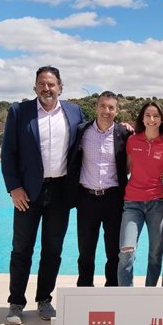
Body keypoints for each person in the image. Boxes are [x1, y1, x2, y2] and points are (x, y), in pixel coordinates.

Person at [1, 65, 85, 325]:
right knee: (21, 249)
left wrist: (125, 126)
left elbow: (92, 133)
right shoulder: (19, 112)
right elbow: (8, 153)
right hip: (27, 193)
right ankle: (16, 302)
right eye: (42, 84)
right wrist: (14, 188)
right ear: (35, 87)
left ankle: (44, 299)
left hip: (60, 191)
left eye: (51, 84)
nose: (47, 89)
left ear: (60, 86)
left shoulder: (73, 112)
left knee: (53, 249)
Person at [66, 91, 130, 288]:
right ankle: (85, 289)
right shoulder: (81, 131)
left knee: (113, 251)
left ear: (117, 111)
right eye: (103, 106)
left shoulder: (124, 134)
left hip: (113, 199)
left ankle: (111, 289)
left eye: (111, 107)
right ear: (96, 107)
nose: (106, 111)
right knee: (86, 251)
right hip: (87, 199)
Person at [117, 100, 163, 287]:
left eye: (156, 116)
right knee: (126, 252)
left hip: (156, 203)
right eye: (148, 115)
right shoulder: (133, 140)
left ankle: (149, 293)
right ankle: (126, 295)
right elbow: (126, 169)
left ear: (161, 119)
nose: (151, 119)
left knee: (155, 254)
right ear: (142, 119)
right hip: (132, 203)